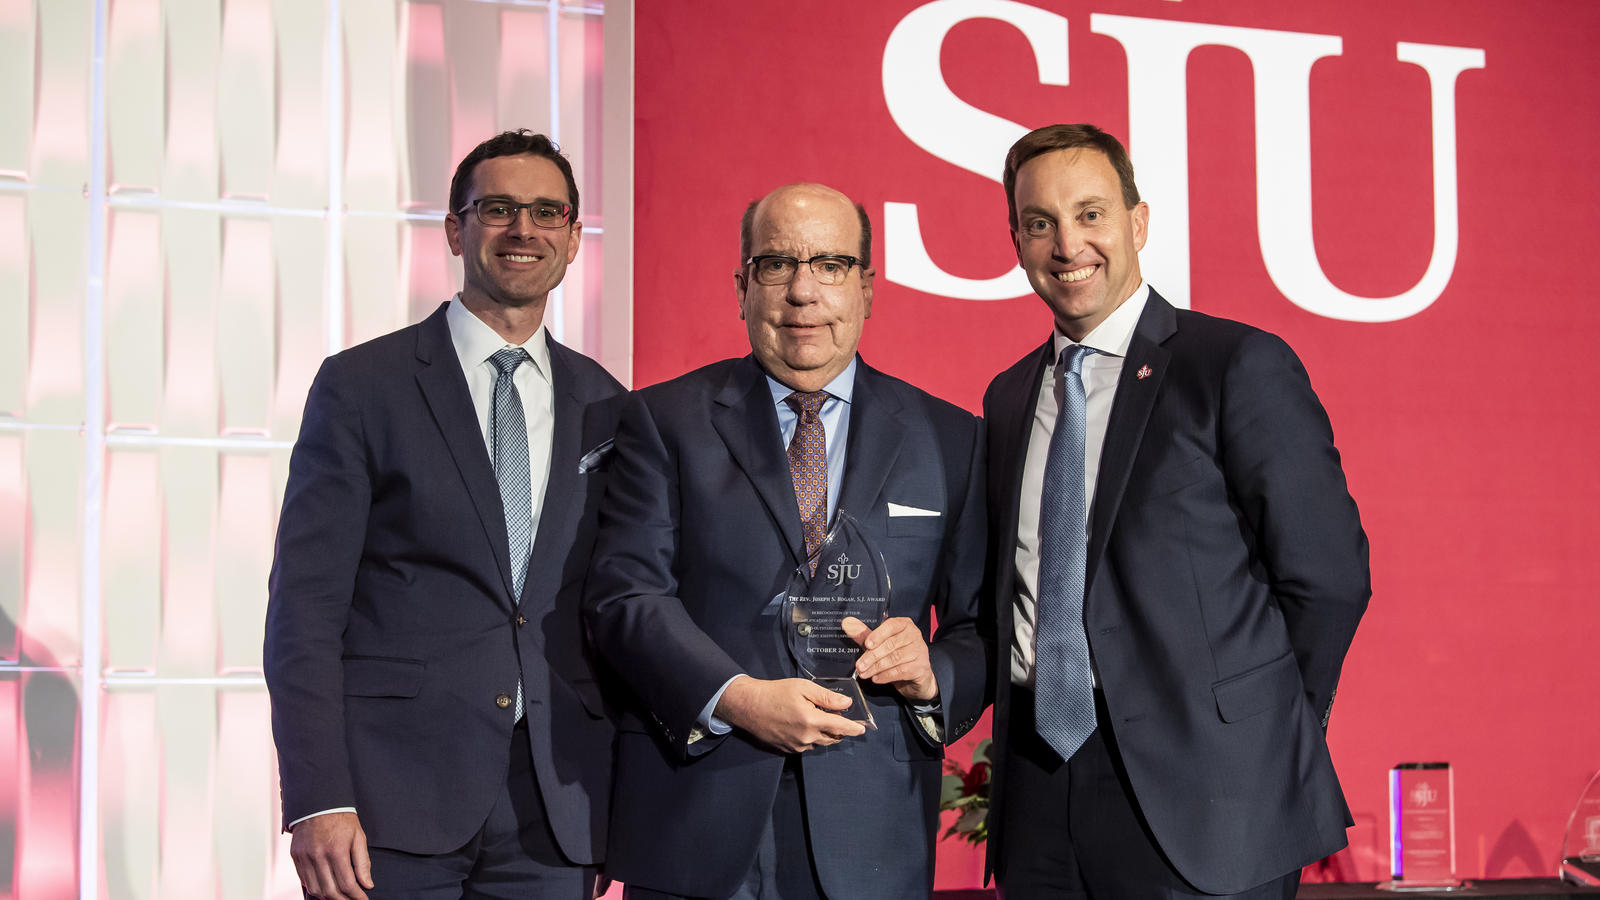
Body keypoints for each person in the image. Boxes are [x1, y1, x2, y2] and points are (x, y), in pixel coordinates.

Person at [983, 123, 1370, 899]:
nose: (1068, 244)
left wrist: (1261, 733)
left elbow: (1327, 580)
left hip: (1210, 800)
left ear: (1139, 221)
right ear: (1018, 242)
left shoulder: (1232, 364)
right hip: (1038, 798)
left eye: (1090, 213)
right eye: (1039, 222)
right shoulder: (1007, 397)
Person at [583, 183, 989, 900]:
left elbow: (980, 627)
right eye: (776, 265)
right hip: (697, 810)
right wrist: (734, 698)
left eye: (831, 265)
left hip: (872, 831)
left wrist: (933, 674)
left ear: (867, 288)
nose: (803, 292)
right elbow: (626, 594)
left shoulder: (951, 439)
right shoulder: (663, 419)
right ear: (741, 287)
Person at [264, 129, 623, 900]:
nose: (523, 229)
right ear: (456, 230)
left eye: (546, 212)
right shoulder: (363, 385)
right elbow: (304, 609)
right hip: (389, 799)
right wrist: (319, 796)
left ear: (572, 239)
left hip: (556, 803)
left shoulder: (609, 404)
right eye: (497, 208)